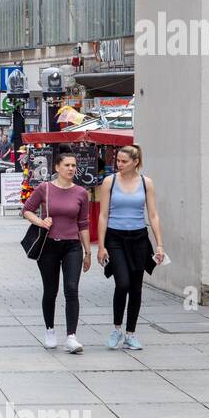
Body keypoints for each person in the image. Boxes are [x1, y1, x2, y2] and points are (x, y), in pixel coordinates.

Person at [22, 153, 92, 353]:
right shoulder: (44, 188)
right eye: (67, 165)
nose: (71, 169)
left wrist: (88, 252)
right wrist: (40, 222)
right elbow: (27, 209)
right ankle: (50, 330)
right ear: (57, 168)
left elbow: (83, 224)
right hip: (49, 246)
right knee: (50, 290)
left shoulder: (80, 192)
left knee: (71, 289)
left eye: (74, 165)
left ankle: (71, 336)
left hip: (72, 246)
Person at [97, 144, 164, 350]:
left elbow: (153, 215)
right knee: (122, 283)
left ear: (136, 162)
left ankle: (130, 333)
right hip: (115, 238)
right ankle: (117, 329)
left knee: (136, 287)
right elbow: (103, 215)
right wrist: (101, 245)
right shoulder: (110, 181)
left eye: (123, 161)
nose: (119, 164)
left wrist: (159, 244)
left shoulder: (146, 183)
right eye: (117, 160)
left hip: (139, 238)